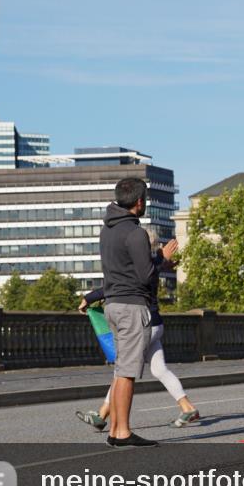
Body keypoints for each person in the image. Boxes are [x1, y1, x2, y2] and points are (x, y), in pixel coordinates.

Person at [76, 228, 198, 431]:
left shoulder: (138, 264)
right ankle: (187, 407)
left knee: (122, 369)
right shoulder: (151, 263)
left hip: (143, 323)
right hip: (155, 323)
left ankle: (101, 414)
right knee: (160, 369)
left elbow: (114, 286)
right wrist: (160, 260)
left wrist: (89, 298)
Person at [99, 177, 178, 447]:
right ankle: (122, 432)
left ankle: (115, 430)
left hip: (112, 304)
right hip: (133, 306)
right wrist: (163, 259)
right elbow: (146, 276)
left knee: (122, 370)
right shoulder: (135, 232)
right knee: (128, 372)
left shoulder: (107, 229)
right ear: (140, 202)